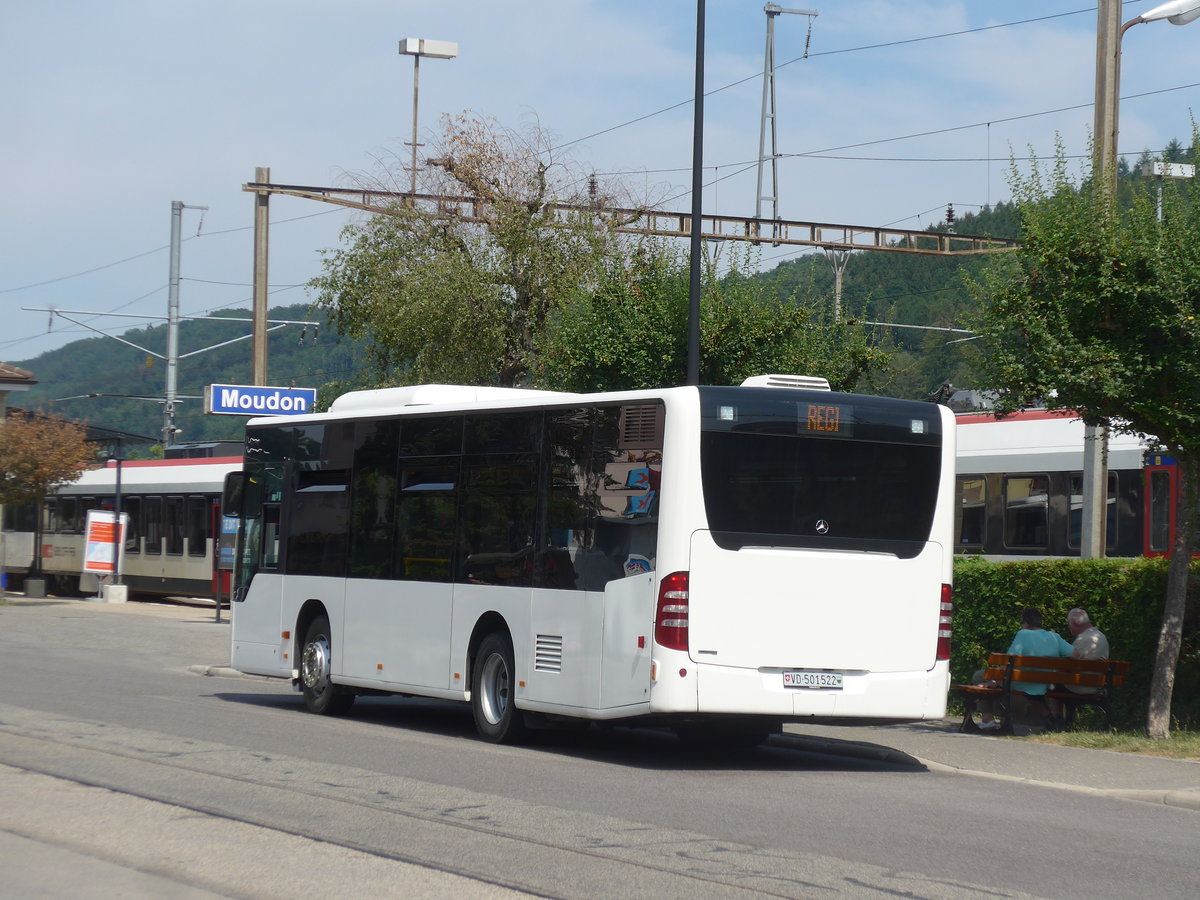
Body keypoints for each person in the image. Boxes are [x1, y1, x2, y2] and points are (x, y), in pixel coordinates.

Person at [977, 607, 1073, 731]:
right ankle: (1051, 721)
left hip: (1020, 683)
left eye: (1021, 623)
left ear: (1026, 623)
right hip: (1044, 684)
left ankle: (987, 719)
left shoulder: (1023, 634)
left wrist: (995, 681)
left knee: (979, 676)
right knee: (993, 679)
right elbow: (1076, 654)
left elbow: (1009, 661)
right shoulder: (1054, 637)